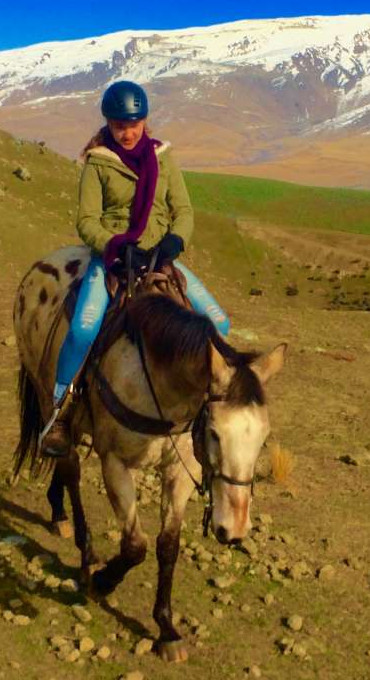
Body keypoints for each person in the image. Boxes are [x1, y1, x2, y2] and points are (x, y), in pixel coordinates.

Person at [37, 79, 229, 457]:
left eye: (134, 124)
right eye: (119, 125)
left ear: (145, 120)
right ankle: (60, 413)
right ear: (108, 123)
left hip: (161, 257)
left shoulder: (163, 157)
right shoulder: (97, 163)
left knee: (219, 323)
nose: (127, 132)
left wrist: (176, 240)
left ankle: (210, 412)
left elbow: (183, 210)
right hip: (113, 260)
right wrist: (115, 245)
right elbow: (87, 220)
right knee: (83, 329)